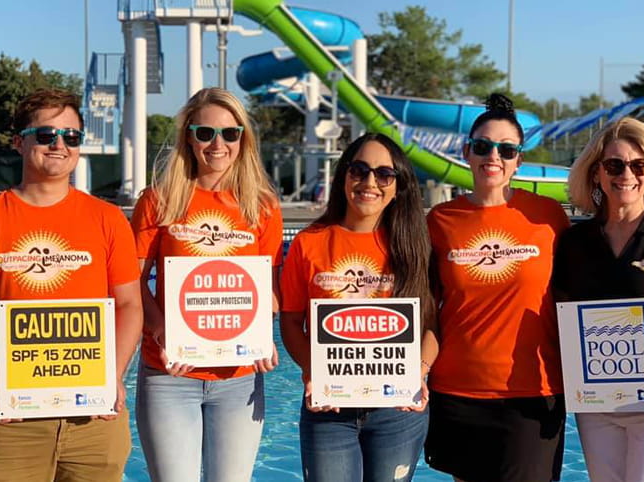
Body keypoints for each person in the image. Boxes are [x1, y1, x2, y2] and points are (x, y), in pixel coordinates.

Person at [0, 89, 142, 481]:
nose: (59, 145)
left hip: (93, 418)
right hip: (14, 418)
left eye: (71, 136)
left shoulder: (108, 219)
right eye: (47, 134)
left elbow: (129, 306)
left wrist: (113, 375)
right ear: (19, 141)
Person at [130, 87, 283, 482]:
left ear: (243, 139)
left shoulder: (262, 206)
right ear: (189, 138)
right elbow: (130, 283)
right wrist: (161, 327)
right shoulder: (159, 200)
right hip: (170, 374)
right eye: (205, 133)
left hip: (238, 378)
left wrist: (264, 328)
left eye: (230, 134)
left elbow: (270, 294)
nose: (219, 144)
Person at [424, 93, 569, 482]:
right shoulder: (440, 220)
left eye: (506, 150)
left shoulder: (547, 217)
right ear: (466, 152)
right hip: (456, 391)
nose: (494, 157)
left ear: (519, 160)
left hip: (532, 393)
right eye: (484, 146)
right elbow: (424, 308)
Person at [280, 132, 434, 482]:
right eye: (359, 170)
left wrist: (419, 371)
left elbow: (431, 325)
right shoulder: (309, 243)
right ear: (343, 177)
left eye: (384, 174)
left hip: (396, 411)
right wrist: (313, 371)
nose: (369, 182)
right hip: (329, 410)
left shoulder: (413, 245)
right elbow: (290, 322)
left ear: (398, 186)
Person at [553, 117, 644, 482]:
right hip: (596, 407)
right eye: (615, 165)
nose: (627, 175)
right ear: (596, 173)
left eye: (639, 165)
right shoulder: (575, 242)